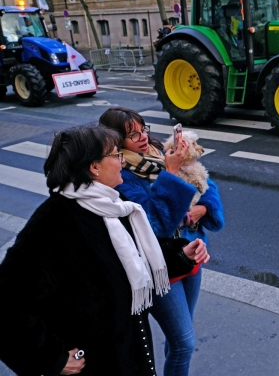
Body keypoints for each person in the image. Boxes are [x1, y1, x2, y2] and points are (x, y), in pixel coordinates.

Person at [0, 126, 175, 375]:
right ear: (94, 167)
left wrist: (182, 255)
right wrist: (51, 357)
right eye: (116, 155)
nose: (122, 160)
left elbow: (134, 256)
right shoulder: (54, 220)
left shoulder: (113, 205)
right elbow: (8, 299)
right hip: (97, 363)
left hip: (128, 352)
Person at [99, 107, 225, 376]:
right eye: (133, 135)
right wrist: (171, 172)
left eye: (143, 129)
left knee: (180, 336)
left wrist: (204, 208)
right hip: (159, 265)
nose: (143, 137)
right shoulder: (120, 174)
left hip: (191, 253)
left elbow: (206, 182)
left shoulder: (157, 151)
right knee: (184, 343)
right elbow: (156, 224)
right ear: (116, 141)